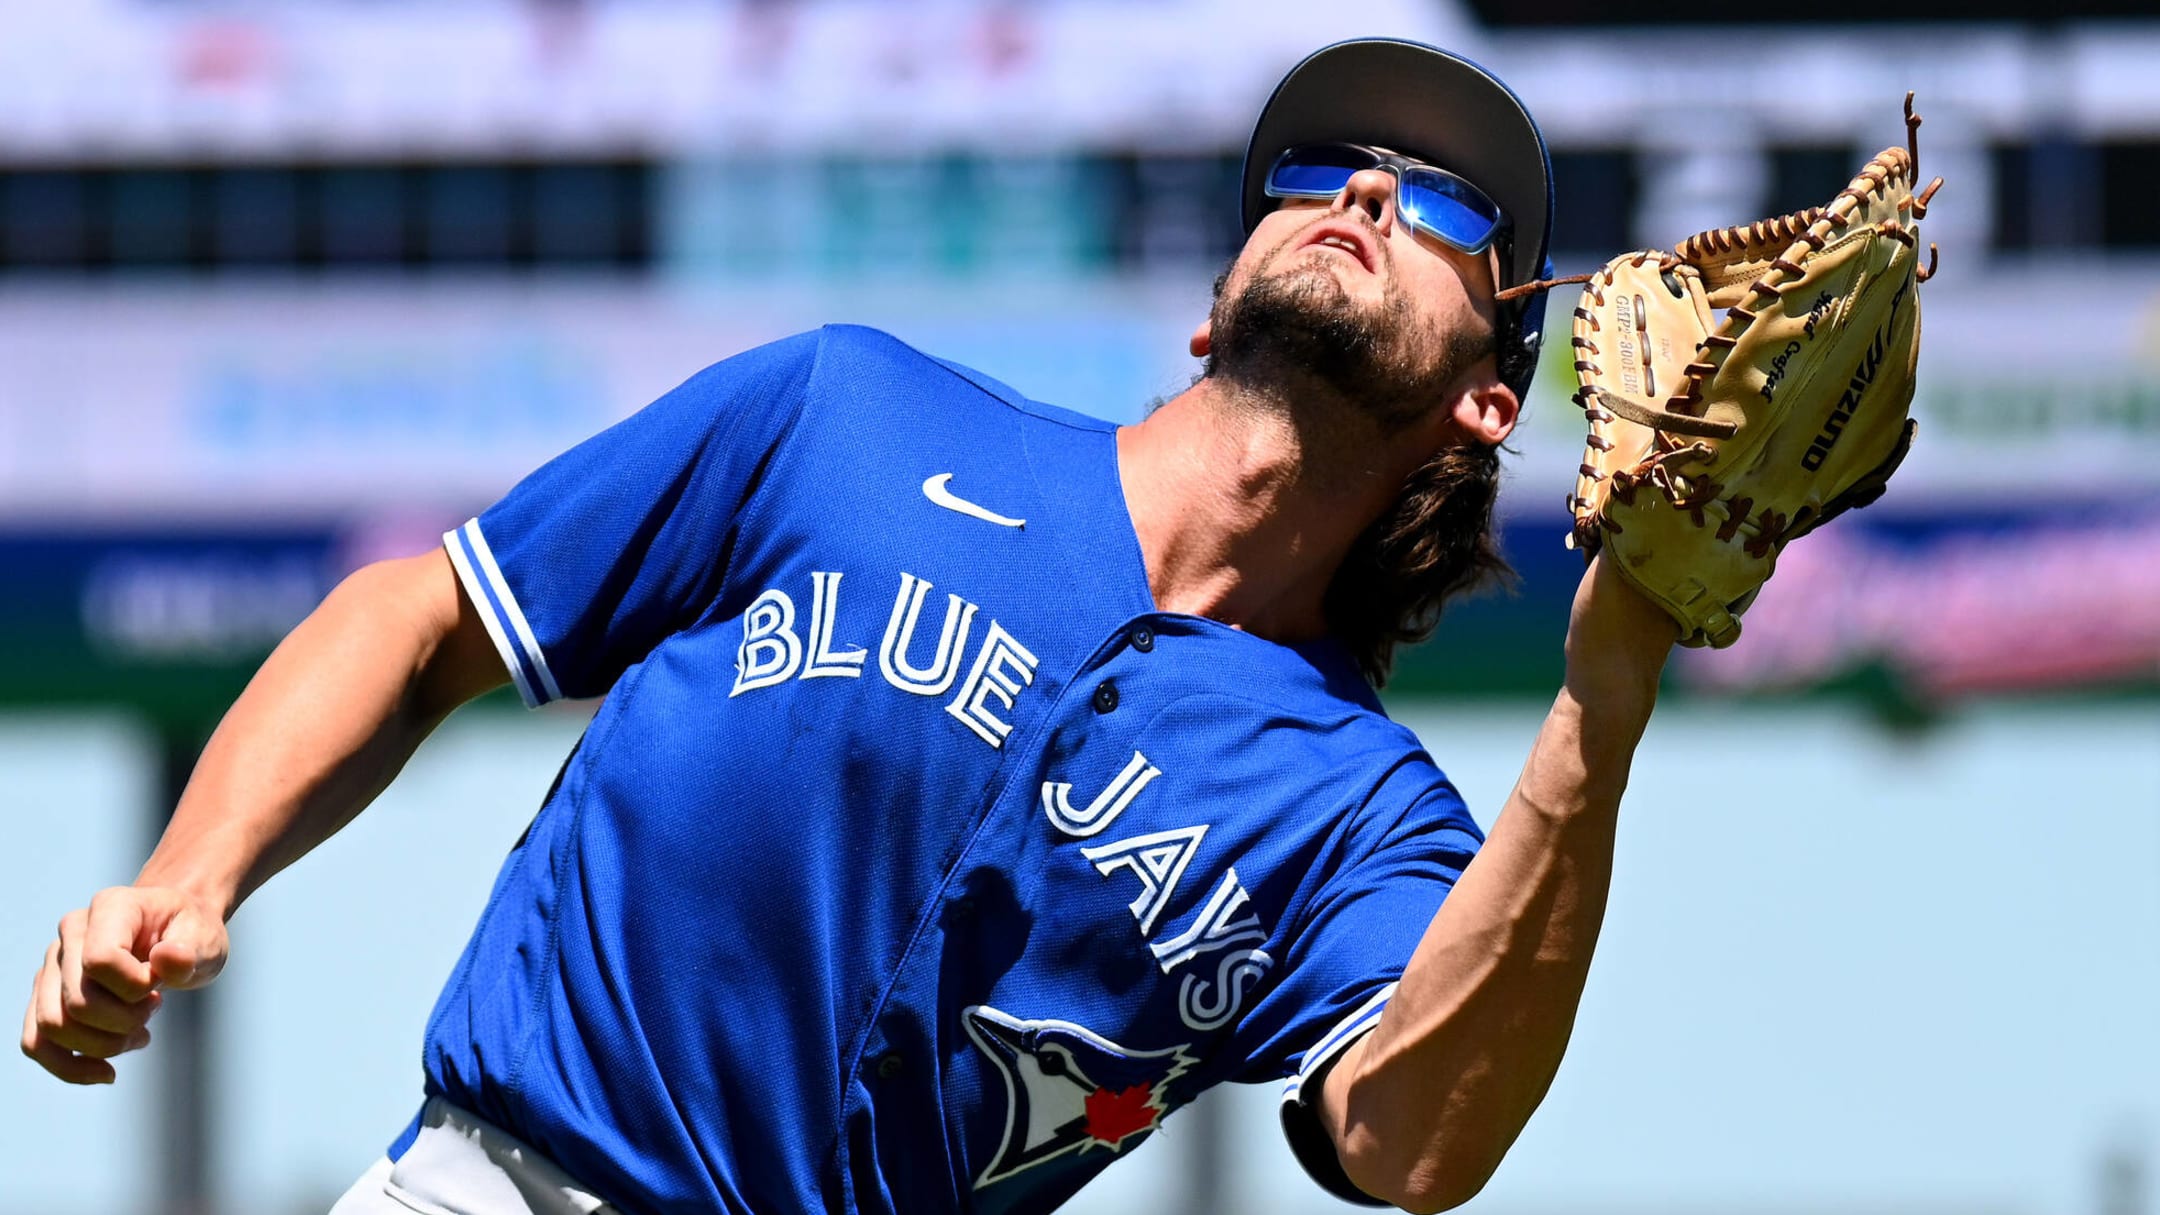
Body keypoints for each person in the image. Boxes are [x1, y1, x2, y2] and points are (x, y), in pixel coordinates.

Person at [20, 38, 1678, 1215]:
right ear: (1210, 296)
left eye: (1448, 207)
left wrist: (1605, 693)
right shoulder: (850, 415)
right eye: (1315, 171)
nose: (1367, 189)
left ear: (1487, 395)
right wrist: (183, 882)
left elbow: (1415, 1143)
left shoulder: (1356, 809)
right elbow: (428, 611)